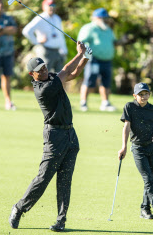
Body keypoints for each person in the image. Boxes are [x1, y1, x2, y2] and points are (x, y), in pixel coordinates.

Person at [9, 41, 91, 232]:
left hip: (71, 134)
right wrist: (80, 53)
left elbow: (74, 73)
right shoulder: (43, 89)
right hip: (54, 136)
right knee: (43, 178)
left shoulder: (52, 78)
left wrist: (86, 57)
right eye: (40, 69)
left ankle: (61, 221)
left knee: (65, 180)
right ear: (32, 74)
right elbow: (66, 70)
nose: (44, 70)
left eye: (44, 66)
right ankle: (19, 208)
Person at [118, 83, 153, 221]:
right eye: (140, 94)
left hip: (152, 147)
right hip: (138, 148)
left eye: (146, 94)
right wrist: (123, 147)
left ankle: (145, 209)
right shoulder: (129, 107)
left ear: (149, 95)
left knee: (150, 180)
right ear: (135, 96)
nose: (143, 96)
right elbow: (126, 127)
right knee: (148, 179)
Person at [78, 8, 117, 112]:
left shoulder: (108, 30)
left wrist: (124, 41)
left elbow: (114, 42)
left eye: (106, 18)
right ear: (96, 18)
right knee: (90, 80)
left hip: (107, 60)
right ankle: (83, 103)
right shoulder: (89, 28)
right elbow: (81, 42)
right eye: (103, 18)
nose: (106, 20)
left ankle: (105, 103)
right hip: (93, 59)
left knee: (106, 82)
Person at [22, 0, 67, 74]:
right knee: (44, 76)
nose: (52, 7)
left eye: (53, 5)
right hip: (46, 51)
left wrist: (64, 50)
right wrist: (36, 42)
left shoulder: (57, 18)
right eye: (49, 5)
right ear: (44, 7)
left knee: (59, 77)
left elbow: (60, 35)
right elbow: (26, 31)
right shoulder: (40, 18)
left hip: (58, 51)